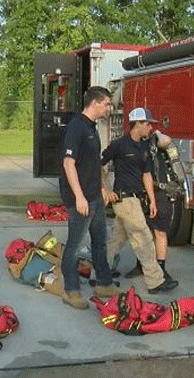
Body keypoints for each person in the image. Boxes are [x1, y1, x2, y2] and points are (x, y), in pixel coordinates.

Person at [102, 107, 178, 294]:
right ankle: (155, 281)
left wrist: (152, 201)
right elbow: (99, 164)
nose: (150, 128)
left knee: (116, 240)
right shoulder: (119, 145)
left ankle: (101, 273)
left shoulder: (144, 147)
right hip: (124, 199)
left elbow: (146, 175)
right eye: (147, 124)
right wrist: (105, 189)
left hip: (138, 199)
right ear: (136, 124)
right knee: (144, 239)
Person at [59, 86, 121, 309]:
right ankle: (71, 290)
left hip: (95, 196)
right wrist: (79, 197)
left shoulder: (92, 129)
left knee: (100, 242)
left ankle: (103, 283)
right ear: (95, 103)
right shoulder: (76, 127)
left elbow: (96, 164)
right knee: (75, 246)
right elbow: (68, 163)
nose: (109, 108)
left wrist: (104, 187)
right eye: (106, 104)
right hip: (82, 200)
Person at [124, 129, 178, 282]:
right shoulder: (131, 144)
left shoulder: (155, 142)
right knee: (142, 231)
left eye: (148, 124)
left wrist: (157, 133)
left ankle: (160, 268)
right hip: (140, 191)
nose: (147, 126)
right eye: (144, 123)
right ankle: (141, 265)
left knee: (160, 231)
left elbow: (166, 141)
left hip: (160, 192)